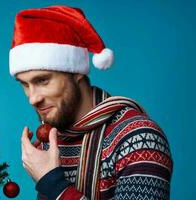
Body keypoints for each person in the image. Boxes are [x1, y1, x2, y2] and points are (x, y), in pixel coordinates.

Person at [9, 5, 173, 200]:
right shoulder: (50, 144)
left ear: (76, 71)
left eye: (43, 80)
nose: (33, 98)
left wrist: (53, 183)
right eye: (25, 85)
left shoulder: (139, 138)